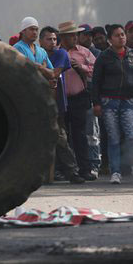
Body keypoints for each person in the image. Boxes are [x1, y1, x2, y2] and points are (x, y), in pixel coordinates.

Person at [92, 24, 133, 185]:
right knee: (114, 138)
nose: (121, 37)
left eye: (122, 34)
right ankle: (115, 172)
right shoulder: (104, 57)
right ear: (110, 39)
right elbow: (95, 81)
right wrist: (96, 103)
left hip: (129, 102)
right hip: (108, 102)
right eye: (117, 35)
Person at [39, 26, 85, 184]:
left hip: (57, 104)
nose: (52, 42)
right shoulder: (38, 54)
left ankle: (72, 171)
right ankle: (47, 173)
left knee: (61, 138)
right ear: (40, 41)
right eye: (48, 39)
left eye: (54, 39)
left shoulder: (60, 53)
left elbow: (54, 73)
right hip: (40, 103)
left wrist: (37, 66)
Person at [59, 20, 97, 181]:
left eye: (75, 34)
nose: (75, 37)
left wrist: (82, 68)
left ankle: (85, 169)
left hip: (79, 97)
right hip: (60, 99)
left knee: (80, 134)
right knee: (62, 136)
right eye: (71, 35)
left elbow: (96, 69)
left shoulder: (84, 52)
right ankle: (66, 170)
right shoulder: (56, 52)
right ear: (63, 37)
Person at [78, 24, 102, 176]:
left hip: (92, 97)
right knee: (77, 133)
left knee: (92, 132)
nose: (88, 37)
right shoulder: (72, 52)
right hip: (75, 97)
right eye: (85, 34)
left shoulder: (98, 54)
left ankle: (94, 164)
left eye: (90, 35)